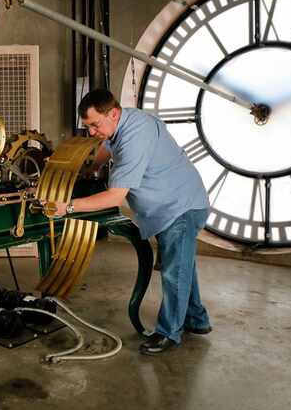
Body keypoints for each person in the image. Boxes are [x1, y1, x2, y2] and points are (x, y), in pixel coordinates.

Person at [54, 89, 211, 355]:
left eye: (94, 125)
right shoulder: (124, 121)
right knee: (183, 266)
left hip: (179, 206)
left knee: (175, 273)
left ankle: (168, 333)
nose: (91, 132)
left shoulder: (135, 136)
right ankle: (197, 320)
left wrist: (67, 206)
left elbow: (115, 196)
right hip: (169, 205)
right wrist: (90, 168)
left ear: (113, 113)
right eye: (87, 126)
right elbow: (106, 146)